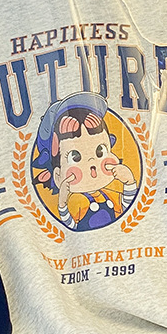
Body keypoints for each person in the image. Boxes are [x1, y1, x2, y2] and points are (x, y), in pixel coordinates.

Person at [35, 92, 139, 231]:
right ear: (58, 176)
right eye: (75, 157)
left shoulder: (109, 194)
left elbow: (125, 212)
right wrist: (62, 204)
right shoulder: (76, 202)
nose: (92, 163)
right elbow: (70, 228)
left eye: (100, 151)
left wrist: (130, 183)